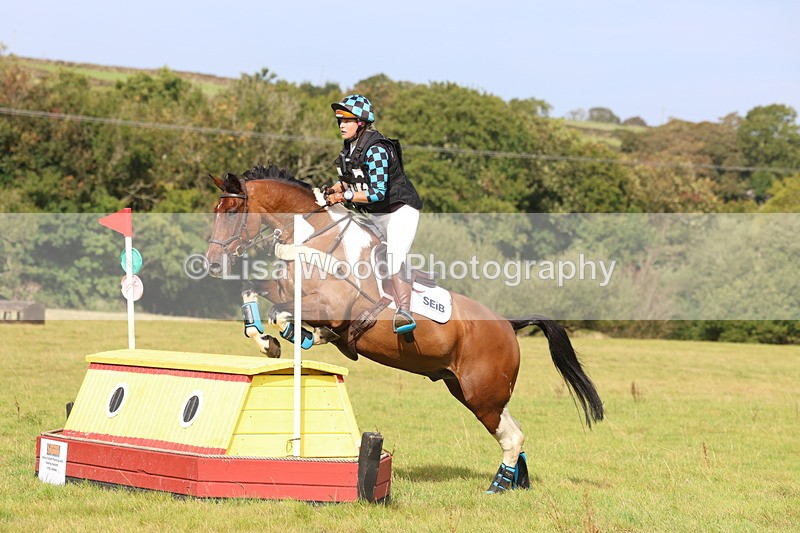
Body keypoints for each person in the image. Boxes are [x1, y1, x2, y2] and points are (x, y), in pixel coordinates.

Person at [325, 94, 423, 335]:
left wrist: (343, 197)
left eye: (347, 121)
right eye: (340, 121)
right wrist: (334, 190)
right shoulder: (349, 150)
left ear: (361, 123)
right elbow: (349, 183)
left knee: (393, 257)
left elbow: (377, 193)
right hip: (376, 215)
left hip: (399, 211)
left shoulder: (376, 149)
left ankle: (404, 311)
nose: (341, 126)